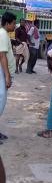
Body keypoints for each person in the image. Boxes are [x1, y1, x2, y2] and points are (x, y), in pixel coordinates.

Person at [0, 12, 17, 144]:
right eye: (13, 23)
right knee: (0, 102)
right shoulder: (2, 34)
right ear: (7, 23)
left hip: (2, 72)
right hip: (1, 72)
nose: (14, 26)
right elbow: (2, 56)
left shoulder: (4, 34)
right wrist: (7, 76)